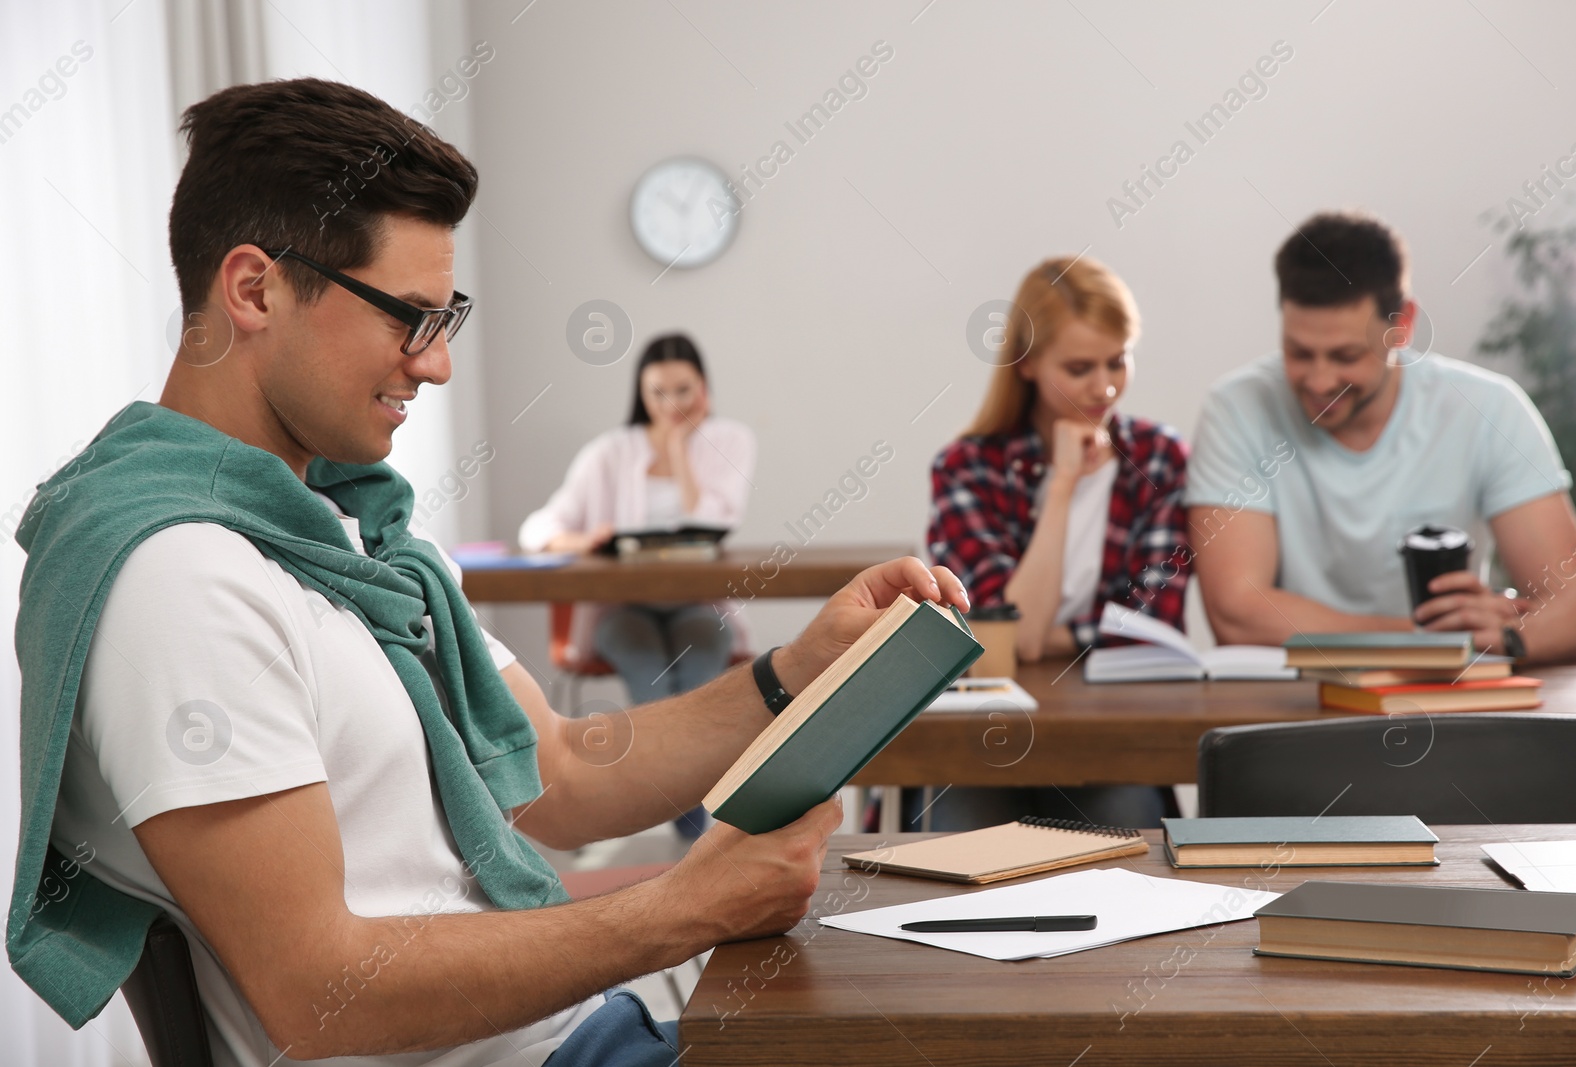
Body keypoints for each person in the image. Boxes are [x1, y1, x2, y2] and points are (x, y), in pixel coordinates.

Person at [7, 78, 969, 1067]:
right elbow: (317, 991)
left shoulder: (353, 536)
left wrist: (794, 672)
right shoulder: (181, 580)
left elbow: (557, 770)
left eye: (445, 317)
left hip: (579, 1032)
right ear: (254, 290)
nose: (436, 365)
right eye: (407, 316)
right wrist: (685, 906)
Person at [1187, 210, 1576, 663]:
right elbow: (1238, 614)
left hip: (1445, 704)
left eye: (1346, 355)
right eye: (1299, 353)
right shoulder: (1237, 407)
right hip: (1296, 707)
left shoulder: (1488, 408)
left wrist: (1508, 638)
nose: (1321, 381)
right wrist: (1429, 636)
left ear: (1402, 325)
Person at [925, 255, 1190, 830]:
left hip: (1108, 735)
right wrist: (1064, 486)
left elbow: (1155, 628)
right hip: (981, 737)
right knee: (962, 833)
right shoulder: (965, 468)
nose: (1106, 386)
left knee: (1126, 826)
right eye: (1079, 368)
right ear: (1026, 364)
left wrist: (1047, 636)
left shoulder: (1159, 459)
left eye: (1118, 360)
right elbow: (1004, 635)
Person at [519, 334, 755, 835]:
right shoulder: (609, 452)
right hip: (621, 611)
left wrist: (676, 445)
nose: (671, 404)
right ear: (640, 393)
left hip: (700, 606)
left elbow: (716, 518)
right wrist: (584, 540)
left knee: (697, 692)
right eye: (658, 393)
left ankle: (688, 831)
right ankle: (697, 834)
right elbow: (536, 529)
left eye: (684, 391)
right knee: (655, 693)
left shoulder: (730, 439)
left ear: (705, 389)